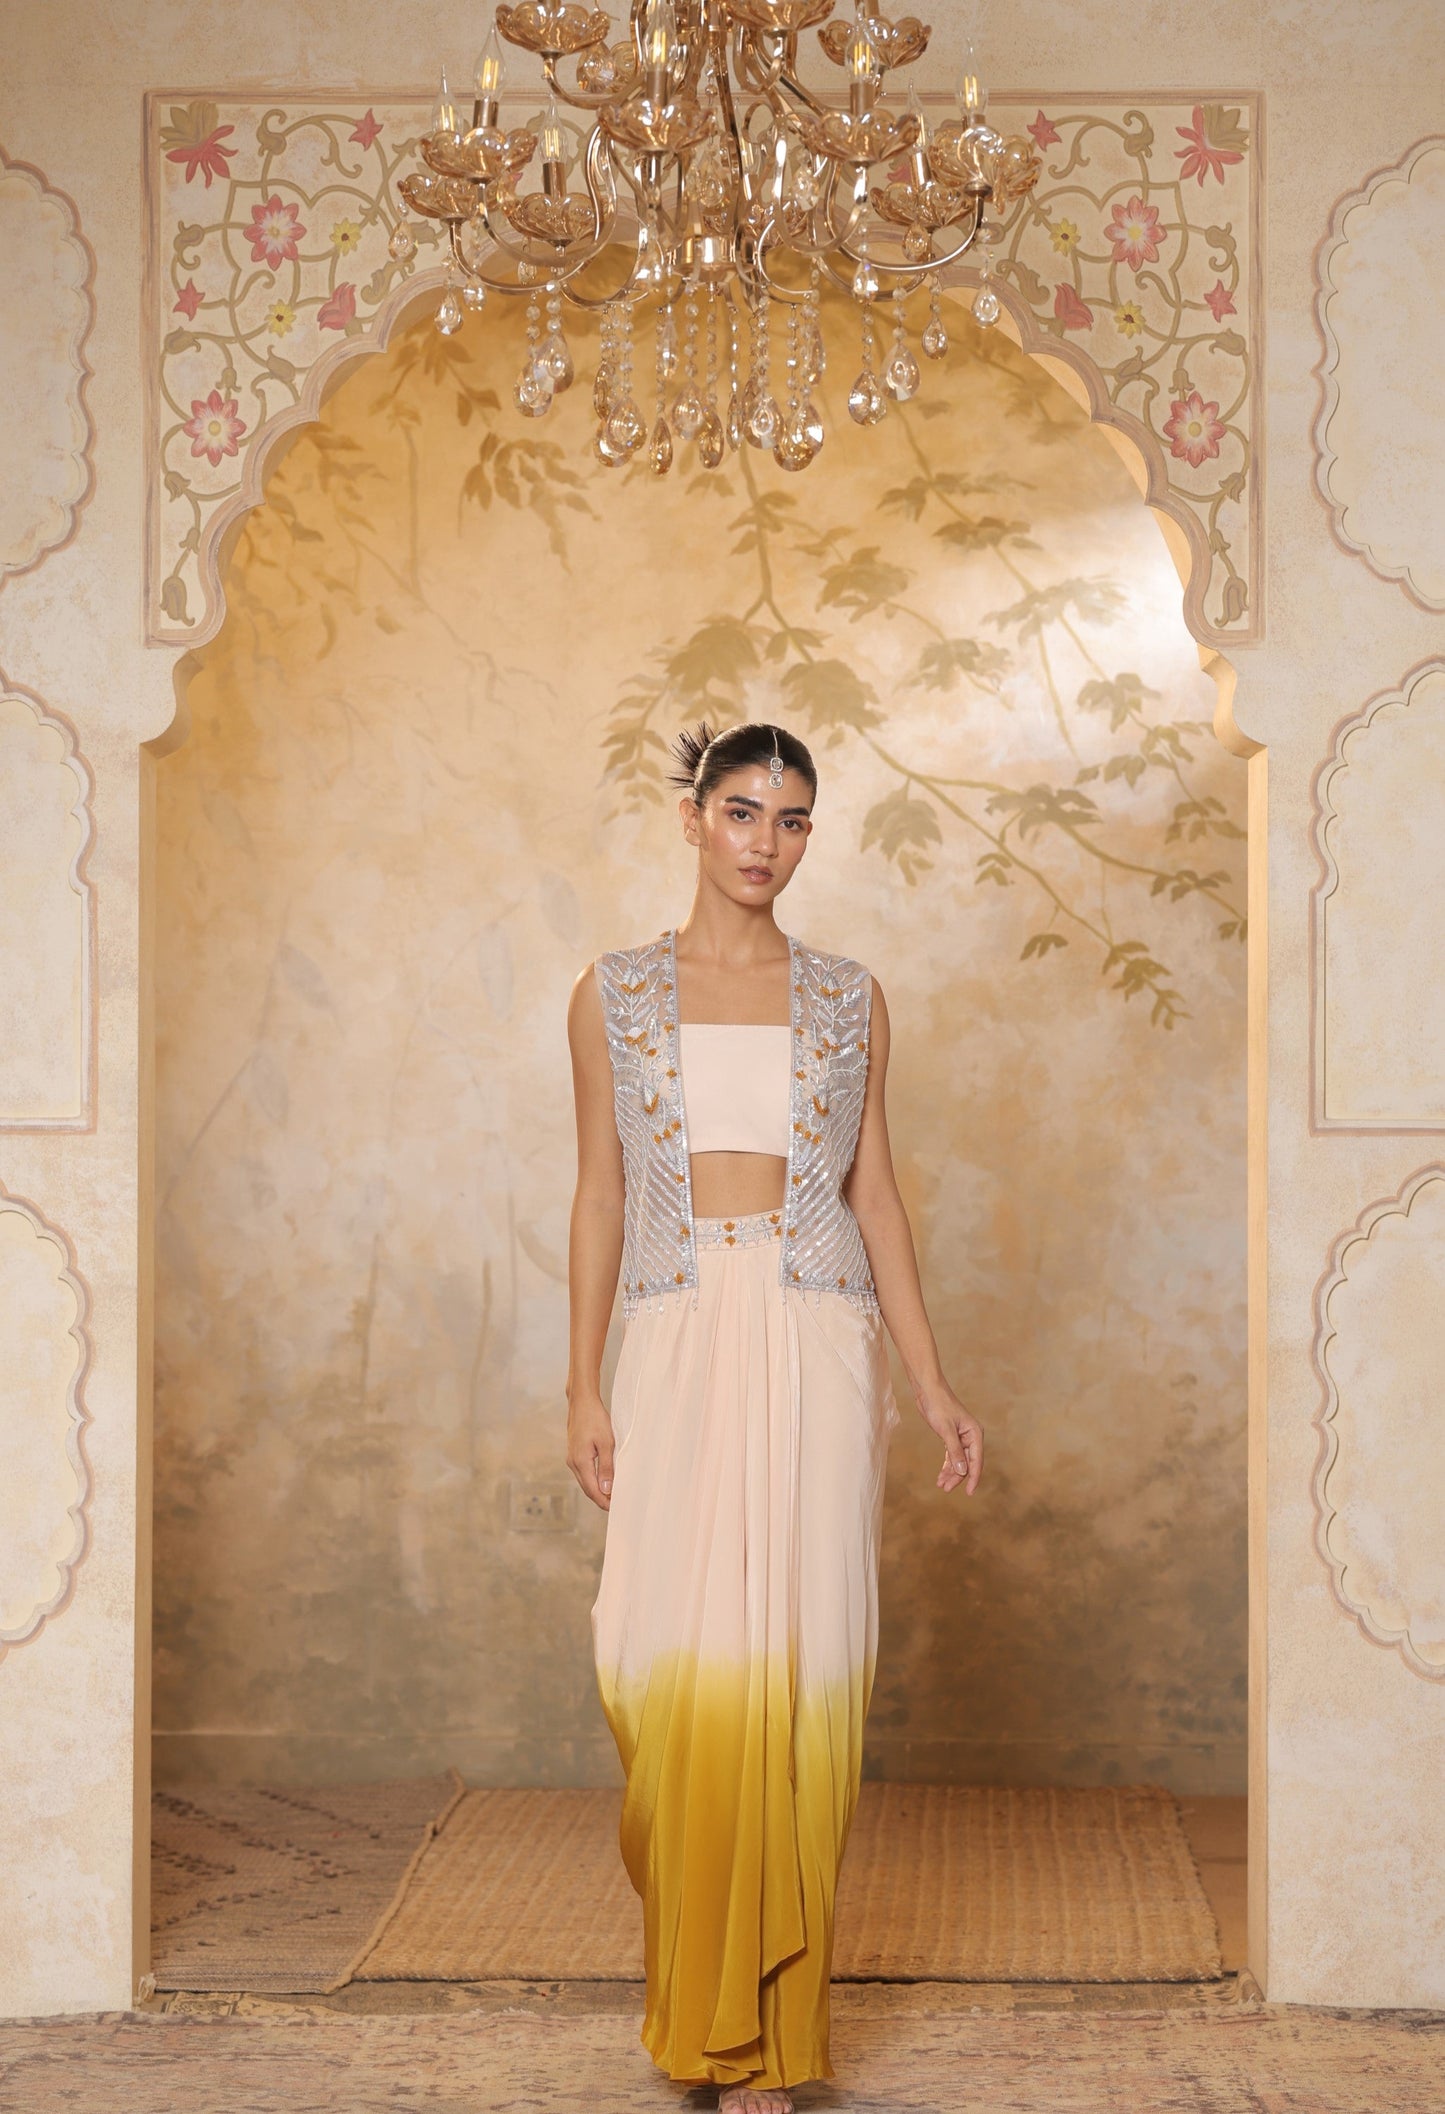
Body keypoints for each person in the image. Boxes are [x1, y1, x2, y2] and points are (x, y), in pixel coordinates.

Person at [565, 719, 983, 2114]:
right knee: (664, 1657)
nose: (765, 841)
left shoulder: (849, 998)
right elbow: (601, 1193)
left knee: (803, 1665)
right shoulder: (615, 994)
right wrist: (580, 1377)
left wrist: (929, 1383)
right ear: (690, 817)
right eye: (741, 810)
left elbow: (875, 1198)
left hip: (814, 1337)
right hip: (677, 1334)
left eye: (793, 818)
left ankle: (771, 2039)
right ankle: (695, 2013)